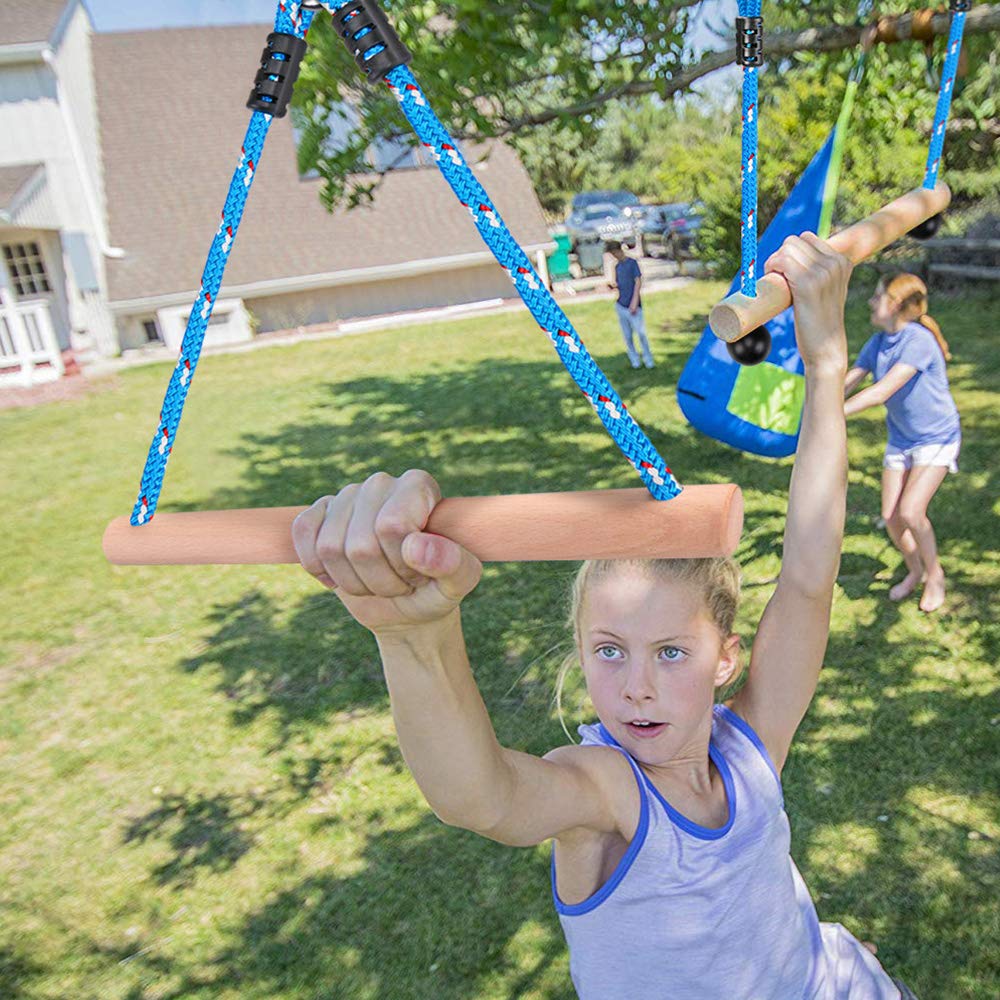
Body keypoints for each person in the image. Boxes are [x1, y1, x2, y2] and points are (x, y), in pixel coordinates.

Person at [292, 235, 915, 999]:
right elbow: (482, 796)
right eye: (610, 650)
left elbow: (809, 577)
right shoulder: (609, 793)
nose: (635, 687)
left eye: (671, 652)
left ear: (726, 657)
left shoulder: (753, 750)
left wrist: (825, 364)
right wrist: (412, 635)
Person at [844, 272, 959, 613]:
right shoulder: (878, 342)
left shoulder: (917, 341)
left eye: (877, 296)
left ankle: (935, 576)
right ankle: (915, 570)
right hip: (901, 437)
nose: (870, 302)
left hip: (936, 436)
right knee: (892, 517)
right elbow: (851, 379)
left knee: (911, 511)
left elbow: (881, 391)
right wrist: (820, 399)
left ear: (894, 304)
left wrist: (834, 413)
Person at [607, 240, 654, 369]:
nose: (615, 256)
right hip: (621, 304)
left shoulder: (632, 263)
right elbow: (620, 284)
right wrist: (613, 286)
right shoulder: (617, 267)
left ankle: (648, 359)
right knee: (627, 336)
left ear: (619, 250)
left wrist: (634, 302)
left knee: (641, 333)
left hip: (633, 305)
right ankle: (634, 360)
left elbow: (637, 282)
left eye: (615, 253)